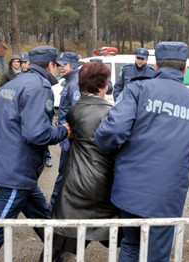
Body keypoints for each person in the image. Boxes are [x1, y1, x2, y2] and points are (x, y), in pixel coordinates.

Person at [95, 42, 189, 261]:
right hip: (167, 196)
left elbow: (111, 133)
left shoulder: (138, 89)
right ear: (184, 70)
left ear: (156, 65)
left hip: (130, 190)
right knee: (157, 254)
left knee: (130, 244)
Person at [0, 46, 70, 262]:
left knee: (42, 216)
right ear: (50, 65)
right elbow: (37, 133)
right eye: (57, 66)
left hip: (13, 167)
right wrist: (63, 131)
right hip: (17, 171)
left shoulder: (11, 84)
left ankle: (57, 253)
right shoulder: (40, 88)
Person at [52, 61, 119, 257]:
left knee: (61, 241)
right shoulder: (112, 113)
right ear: (102, 85)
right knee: (124, 240)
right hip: (103, 183)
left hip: (75, 183)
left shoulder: (75, 110)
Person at [50, 51, 80, 207]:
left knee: (63, 174)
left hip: (70, 138)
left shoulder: (75, 83)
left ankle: (54, 207)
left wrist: (68, 140)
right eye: (60, 65)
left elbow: (76, 114)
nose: (61, 68)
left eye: (64, 65)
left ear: (73, 65)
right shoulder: (70, 81)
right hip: (66, 136)